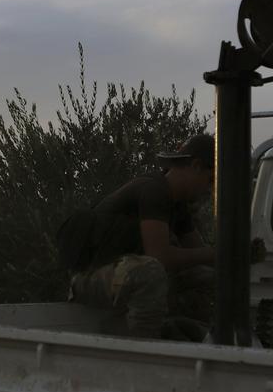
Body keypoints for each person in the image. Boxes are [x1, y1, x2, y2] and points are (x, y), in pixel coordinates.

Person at [65, 134, 216, 339]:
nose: (210, 189)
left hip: (122, 278)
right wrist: (215, 254)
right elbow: (160, 256)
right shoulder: (154, 191)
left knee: (207, 276)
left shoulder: (177, 204)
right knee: (151, 271)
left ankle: (203, 338)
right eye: (211, 180)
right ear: (197, 166)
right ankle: (144, 352)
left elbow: (199, 255)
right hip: (89, 278)